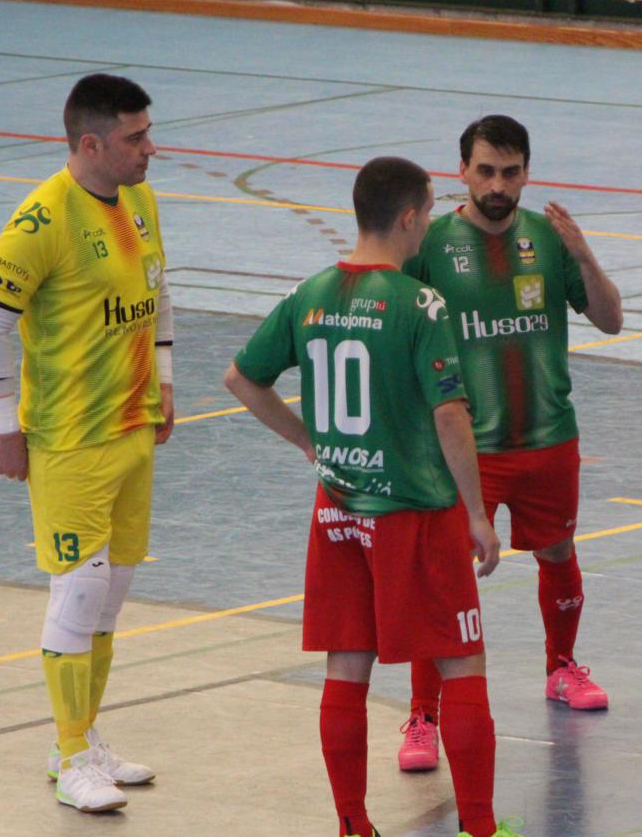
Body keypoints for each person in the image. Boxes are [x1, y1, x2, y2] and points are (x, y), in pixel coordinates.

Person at [224, 156, 523, 837]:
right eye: (429, 213)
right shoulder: (419, 304)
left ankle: (353, 824)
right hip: (414, 512)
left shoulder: (310, 293)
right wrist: (477, 514)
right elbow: (450, 414)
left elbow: (241, 379)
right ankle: (480, 828)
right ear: (409, 218)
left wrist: (308, 441)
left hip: (338, 511)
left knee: (347, 663)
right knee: (462, 659)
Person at [0, 73, 173, 812]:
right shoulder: (42, 219)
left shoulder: (140, 201)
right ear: (91, 144)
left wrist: (165, 381)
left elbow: (157, 291)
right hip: (70, 437)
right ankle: (73, 755)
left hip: (132, 427)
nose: (150, 148)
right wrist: (4, 427)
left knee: (112, 592)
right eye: (136, 137)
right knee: (79, 588)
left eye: (148, 132)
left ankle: (80, 738)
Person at [394, 115, 623, 772]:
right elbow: (398, 332)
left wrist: (584, 254)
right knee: (444, 576)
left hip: (548, 434)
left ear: (527, 172)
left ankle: (562, 667)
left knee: (558, 551)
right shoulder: (432, 245)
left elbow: (610, 319)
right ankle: (423, 714)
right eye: (486, 171)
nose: (498, 185)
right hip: (466, 448)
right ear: (462, 172)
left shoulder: (549, 238)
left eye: (511, 172)